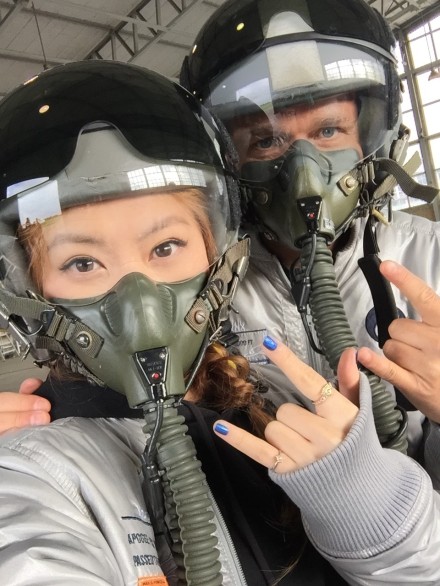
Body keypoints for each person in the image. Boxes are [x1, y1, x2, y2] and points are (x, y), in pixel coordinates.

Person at [0, 60, 439, 585]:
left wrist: (372, 514)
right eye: (82, 263)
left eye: (166, 247)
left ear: (218, 254)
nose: (141, 302)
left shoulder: (273, 400)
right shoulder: (35, 469)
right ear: (28, 289)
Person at [179, 0, 440, 462]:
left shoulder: (431, 258)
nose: (304, 173)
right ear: (229, 163)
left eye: (329, 131)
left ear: (370, 137)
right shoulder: (200, 293)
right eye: (266, 140)